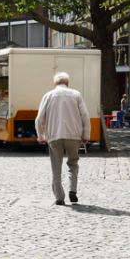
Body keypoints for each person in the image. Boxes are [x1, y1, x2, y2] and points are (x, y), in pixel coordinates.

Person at [36, 72, 91, 205]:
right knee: (73, 163)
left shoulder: (48, 96)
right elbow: (85, 116)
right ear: (67, 84)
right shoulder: (76, 94)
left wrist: (41, 136)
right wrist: (86, 135)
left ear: (55, 84)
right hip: (73, 135)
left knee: (56, 167)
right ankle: (73, 190)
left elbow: (39, 119)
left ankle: (59, 197)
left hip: (54, 135)